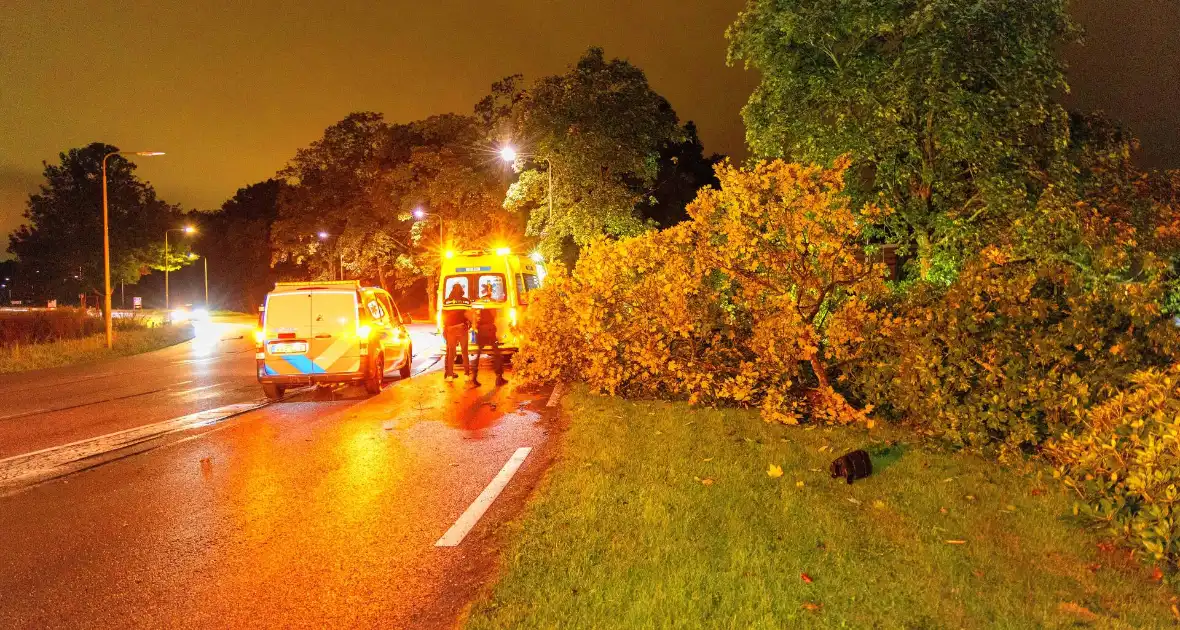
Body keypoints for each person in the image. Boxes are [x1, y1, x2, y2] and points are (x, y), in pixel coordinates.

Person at [441, 283, 471, 380]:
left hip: (450, 330)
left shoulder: (446, 302)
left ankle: (449, 375)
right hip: (462, 329)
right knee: (464, 352)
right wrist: (468, 325)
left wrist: (446, 327)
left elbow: (443, 317)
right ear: (461, 290)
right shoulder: (466, 301)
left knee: (451, 353)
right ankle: (466, 375)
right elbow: (469, 315)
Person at [471, 307, 507, 387]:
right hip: (490, 332)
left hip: (481, 333)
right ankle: (499, 377)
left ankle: (473, 378)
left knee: (478, 355)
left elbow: (476, 326)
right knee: (497, 355)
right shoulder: (491, 307)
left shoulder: (480, 310)